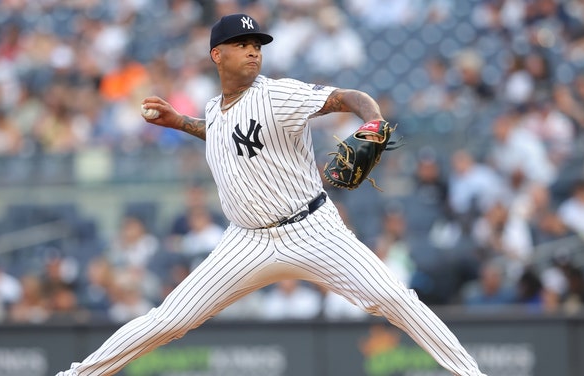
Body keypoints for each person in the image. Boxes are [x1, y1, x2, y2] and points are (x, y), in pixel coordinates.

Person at [56, 13, 487, 376]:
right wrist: (180, 122)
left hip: (313, 230)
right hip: (246, 240)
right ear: (216, 55)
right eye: (242, 43)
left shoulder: (278, 93)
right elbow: (225, 134)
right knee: (168, 319)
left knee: (395, 298)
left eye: (257, 44)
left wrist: (372, 120)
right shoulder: (212, 108)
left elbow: (348, 97)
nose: (253, 51)